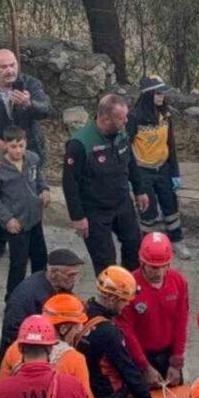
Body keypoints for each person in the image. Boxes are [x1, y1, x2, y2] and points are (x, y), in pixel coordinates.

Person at [0, 49, 53, 265]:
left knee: (30, 196)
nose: (9, 70)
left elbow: (47, 110)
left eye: (12, 65)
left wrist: (29, 104)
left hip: (28, 153)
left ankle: (32, 241)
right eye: (3, 67)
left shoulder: (30, 84)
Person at [63, 93, 146, 275]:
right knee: (106, 261)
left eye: (126, 116)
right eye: (121, 118)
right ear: (105, 119)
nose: (126, 121)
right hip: (95, 210)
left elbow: (130, 161)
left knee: (134, 244)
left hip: (122, 202)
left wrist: (140, 190)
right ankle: (111, 291)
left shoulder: (121, 133)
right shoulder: (79, 144)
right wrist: (77, 217)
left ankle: (131, 285)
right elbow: (70, 183)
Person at [0, 293, 98, 398]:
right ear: (64, 328)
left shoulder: (15, 348)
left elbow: (1, 393)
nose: (79, 330)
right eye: (77, 326)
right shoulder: (74, 359)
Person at [75, 266, 152, 398]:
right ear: (112, 299)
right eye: (125, 301)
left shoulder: (82, 312)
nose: (127, 305)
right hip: (108, 397)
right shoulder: (109, 332)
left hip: (87, 387)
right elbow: (127, 369)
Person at [128, 75, 191, 260]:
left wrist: (175, 172)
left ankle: (177, 240)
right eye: (158, 93)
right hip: (143, 170)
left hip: (163, 168)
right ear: (147, 95)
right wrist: (131, 177)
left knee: (170, 206)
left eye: (163, 93)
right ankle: (147, 245)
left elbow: (170, 144)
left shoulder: (166, 115)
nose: (162, 96)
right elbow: (126, 147)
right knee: (148, 212)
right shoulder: (134, 117)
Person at [0, 125, 51, 298]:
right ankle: (12, 299)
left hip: (35, 219)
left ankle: (39, 295)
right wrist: (7, 219)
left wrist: (44, 189)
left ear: (26, 143)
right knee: (18, 264)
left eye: (21, 145)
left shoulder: (32, 159)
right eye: (13, 146)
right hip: (16, 224)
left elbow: (39, 177)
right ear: (5, 145)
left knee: (40, 259)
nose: (18, 150)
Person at [119, 233, 189, 387]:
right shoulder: (128, 286)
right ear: (141, 262)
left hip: (168, 355)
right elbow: (127, 331)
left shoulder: (179, 282)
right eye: (154, 267)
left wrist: (176, 362)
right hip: (139, 357)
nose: (160, 272)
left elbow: (181, 322)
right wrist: (145, 367)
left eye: (165, 266)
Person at [0, 248, 85, 364]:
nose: (74, 279)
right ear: (54, 273)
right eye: (71, 275)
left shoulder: (57, 285)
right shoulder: (25, 296)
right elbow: (12, 332)